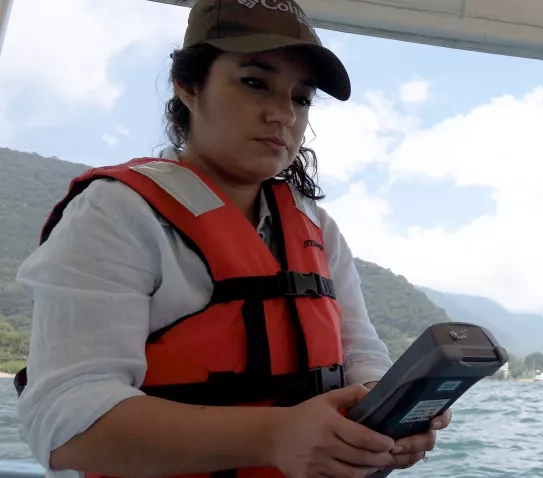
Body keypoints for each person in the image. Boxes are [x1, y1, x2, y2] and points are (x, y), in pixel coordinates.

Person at [13, 0, 450, 477]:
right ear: (188, 86)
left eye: (301, 97)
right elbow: (63, 421)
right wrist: (276, 437)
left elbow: (360, 353)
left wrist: (386, 406)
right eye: (254, 82)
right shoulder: (115, 214)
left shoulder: (317, 228)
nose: (283, 114)